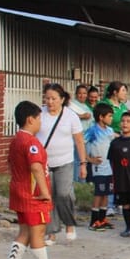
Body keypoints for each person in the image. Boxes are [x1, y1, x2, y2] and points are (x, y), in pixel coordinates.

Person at [0, 101, 69, 259]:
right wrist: (45, 192)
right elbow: (36, 167)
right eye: (39, 118)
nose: (40, 122)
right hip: (33, 196)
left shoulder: (15, 140)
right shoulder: (31, 142)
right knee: (38, 232)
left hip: (19, 192)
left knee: (24, 232)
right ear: (30, 119)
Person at [38, 83, 87, 245]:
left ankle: (69, 224)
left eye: (54, 98)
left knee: (64, 194)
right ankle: (51, 232)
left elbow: (79, 141)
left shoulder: (70, 116)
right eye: (47, 98)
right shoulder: (40, 114)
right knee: (48, 197)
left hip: (65, 161)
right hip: (44, 163)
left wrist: (83, 163)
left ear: (62, 99)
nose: (50, 102)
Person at [84, 102, 116, 231]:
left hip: (108, 167)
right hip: (98, 168)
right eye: (109, 116)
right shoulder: (92, 130)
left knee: (106, 194)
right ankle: (93, 221)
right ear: (101, 117)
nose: (111, 118)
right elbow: (81, 143)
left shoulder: (110, 131)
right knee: (98, 193)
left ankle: (102, 219)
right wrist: (89, 159)